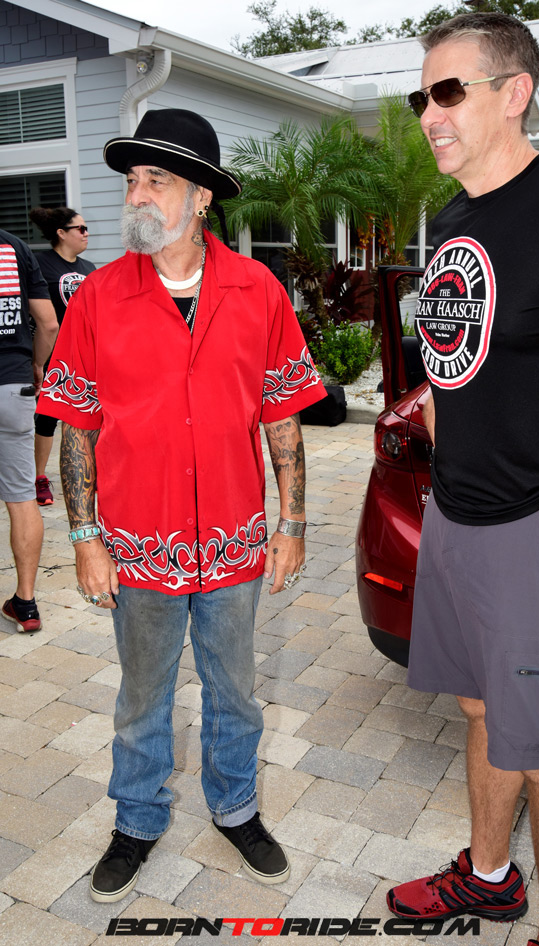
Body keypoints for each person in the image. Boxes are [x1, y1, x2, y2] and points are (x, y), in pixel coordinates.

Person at [36, 108, 326, 903]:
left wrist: (293, 522)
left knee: (235, 692)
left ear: (200, 197)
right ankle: (136, 820)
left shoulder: (256, 290)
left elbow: (281, 413)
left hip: (234, 544)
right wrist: (85, 537)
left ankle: (236, 809)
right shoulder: (99, 296)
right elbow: (77, 424)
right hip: (138, 547)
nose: (137, 194)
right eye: (132, 180)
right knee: (142, 696)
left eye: (156, 180)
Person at [385, 14, 539, 946]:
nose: (428, 113)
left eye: (447, 91)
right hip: (454, 513)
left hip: (535, 522)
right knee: (477, 707)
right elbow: (456, 353)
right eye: (419, 96)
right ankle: (491, 878)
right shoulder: (453, 219)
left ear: (514, 93)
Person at [0, 228, 58, 632]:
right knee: (22, 498)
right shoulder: (14, 246)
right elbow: (49, 324)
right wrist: (36, 365)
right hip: (13, 383)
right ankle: (26, 603)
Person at [29, 206, 95, 507]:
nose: (86, 233)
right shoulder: (40, 264)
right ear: (61, 233)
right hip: (52, 352)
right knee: (46, 418)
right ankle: (39, 477)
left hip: (84, 353)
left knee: (86, 415)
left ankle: (89, 471)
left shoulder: (89, 267)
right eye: (80, 229)